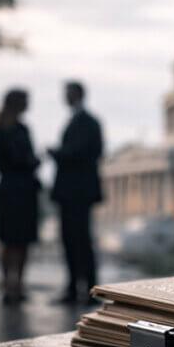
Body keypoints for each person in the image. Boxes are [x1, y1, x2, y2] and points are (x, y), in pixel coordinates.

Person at [49, 81, 104, 304]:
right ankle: (73, 287)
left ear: (78, 94)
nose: (65, 97)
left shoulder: (88, 122)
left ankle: (89, 289)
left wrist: (59, 153)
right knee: (69, 240)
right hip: (70, 192)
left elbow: (87, 152)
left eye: (68, 93)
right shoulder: (77, 120)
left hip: (78, 192)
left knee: (81, 240)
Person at [0, 88, 41, 305]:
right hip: (10, 190)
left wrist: (31, 161)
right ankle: (7, 286)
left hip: (25, 190)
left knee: (23, 240)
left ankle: (18, 284)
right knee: (9, 240)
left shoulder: (23, 129)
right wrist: (18, 161)